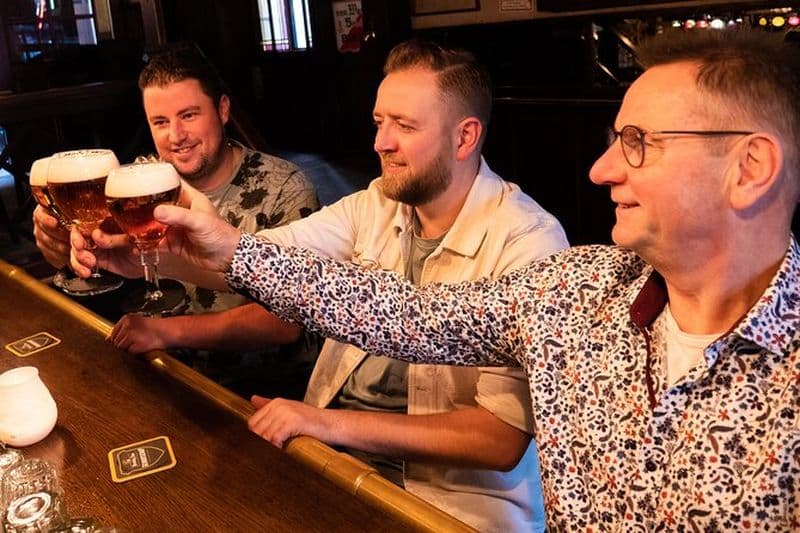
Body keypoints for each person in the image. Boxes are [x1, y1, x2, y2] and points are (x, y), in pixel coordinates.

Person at [73, 29, 800, 529]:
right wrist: (215, 247)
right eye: (615, 141)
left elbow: (496, 439)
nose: (602, 168)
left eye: (637, 144)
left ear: (750, 167)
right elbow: (405, 315)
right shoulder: (582, 291)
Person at [72, 40, 568, 532]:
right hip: (334, 457)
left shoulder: (529, 241)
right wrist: (146, 261)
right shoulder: (376, 203)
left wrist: (323, 424)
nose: (380, 143)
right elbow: (264, 260)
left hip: (448, 500)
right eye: (379, 123)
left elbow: (498, 439)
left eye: (405, 126)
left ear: (465, 138)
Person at [34, 47, 320, 395]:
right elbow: (104, 270)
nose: (175, 136)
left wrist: (164, 332)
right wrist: (64, 251)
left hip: (261, 391)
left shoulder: (285, 188)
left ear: (223, 109)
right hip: (161, 375)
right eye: (160, 122)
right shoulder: (137, 186)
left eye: (189, 115)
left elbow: (284, 323)